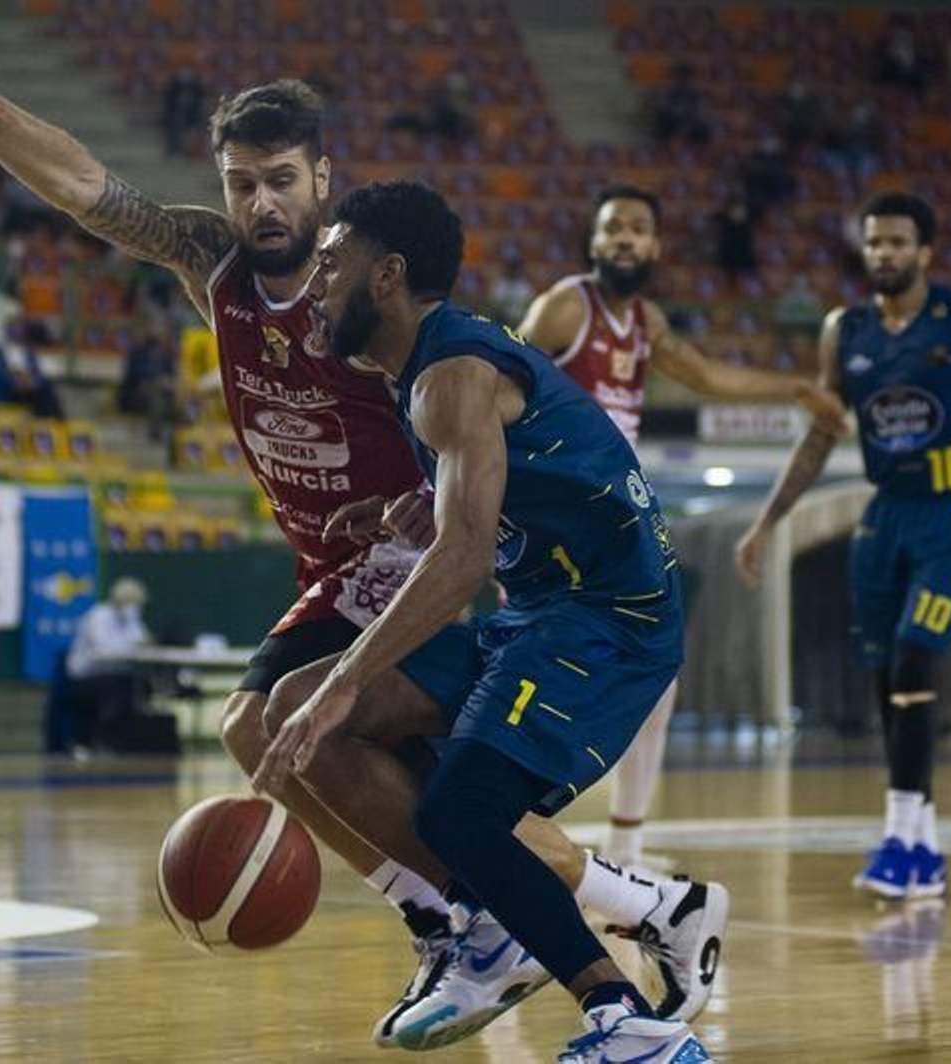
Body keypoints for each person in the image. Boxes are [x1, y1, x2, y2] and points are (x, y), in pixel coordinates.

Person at [0, 10, 725, 1045]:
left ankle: (535, 918)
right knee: (273, 734)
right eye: (242, 181)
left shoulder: (372, 301)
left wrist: (425, 523)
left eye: (282, 178)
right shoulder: (216, 267)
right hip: (339, 559)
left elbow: (473, 441)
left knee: (351, 750)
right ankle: (541, 909)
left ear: (323, 179)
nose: (261, 201)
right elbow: (81, 185)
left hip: (424, 570)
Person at [253, 180, 711, 1061]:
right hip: (544, 610)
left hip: (609, 622)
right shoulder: (423, 372)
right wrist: (421, 501)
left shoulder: (448, 376)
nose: (314, 282)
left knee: (453, 802)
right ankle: (502, 923)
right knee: (290, 705)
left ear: (386, 276)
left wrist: (346, 682)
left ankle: (626, 1022)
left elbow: (464, 558)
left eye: (332, 262)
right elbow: (496, 493)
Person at [518, 184, 845, 868]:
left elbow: (705, 375)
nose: (624, 240)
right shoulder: (566, 305)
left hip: (621, 513)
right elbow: (503, 376)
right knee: (545, 669)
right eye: (613, 229)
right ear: (594, 242)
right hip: (560, 516)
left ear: (657, 246)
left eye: (637, 229)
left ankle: (629, 842)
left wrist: (793, 388)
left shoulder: (644, 320)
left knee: (660, 671)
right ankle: (512, 821)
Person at [735, 191, 951, 901]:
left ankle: (897, 836)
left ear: (925, 252)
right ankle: (919, 845)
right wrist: (767, 523)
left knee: (919, 657)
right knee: (887, 676)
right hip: (884, 512)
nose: (883, 254)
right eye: (874, 243)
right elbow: (822, 432)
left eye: (897, 242)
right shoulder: (845, 330)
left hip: (948, 513)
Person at [63, 578, 152, 749]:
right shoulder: (98, 616)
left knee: (139, 684)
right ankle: (101, 738)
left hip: (116, 674)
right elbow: (104, 650)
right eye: (130, 603)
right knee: (122, 687)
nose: (134, 608)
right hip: (86, 676)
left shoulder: (131, 619)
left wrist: (137, 633)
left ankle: (127, 740)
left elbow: (141, 641)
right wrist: (132, 646)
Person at [0, 315, 63, 418]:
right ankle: (48, 421)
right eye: (15, 329)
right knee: (34, 394)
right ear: (8, 331)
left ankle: (53, 423)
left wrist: (33, 381)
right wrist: (15, 381)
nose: (18, 332)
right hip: (11, 390)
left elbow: (38, 373)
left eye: (20, 329)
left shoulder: (28, 352)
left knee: (47, 389)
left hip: (29, 388)